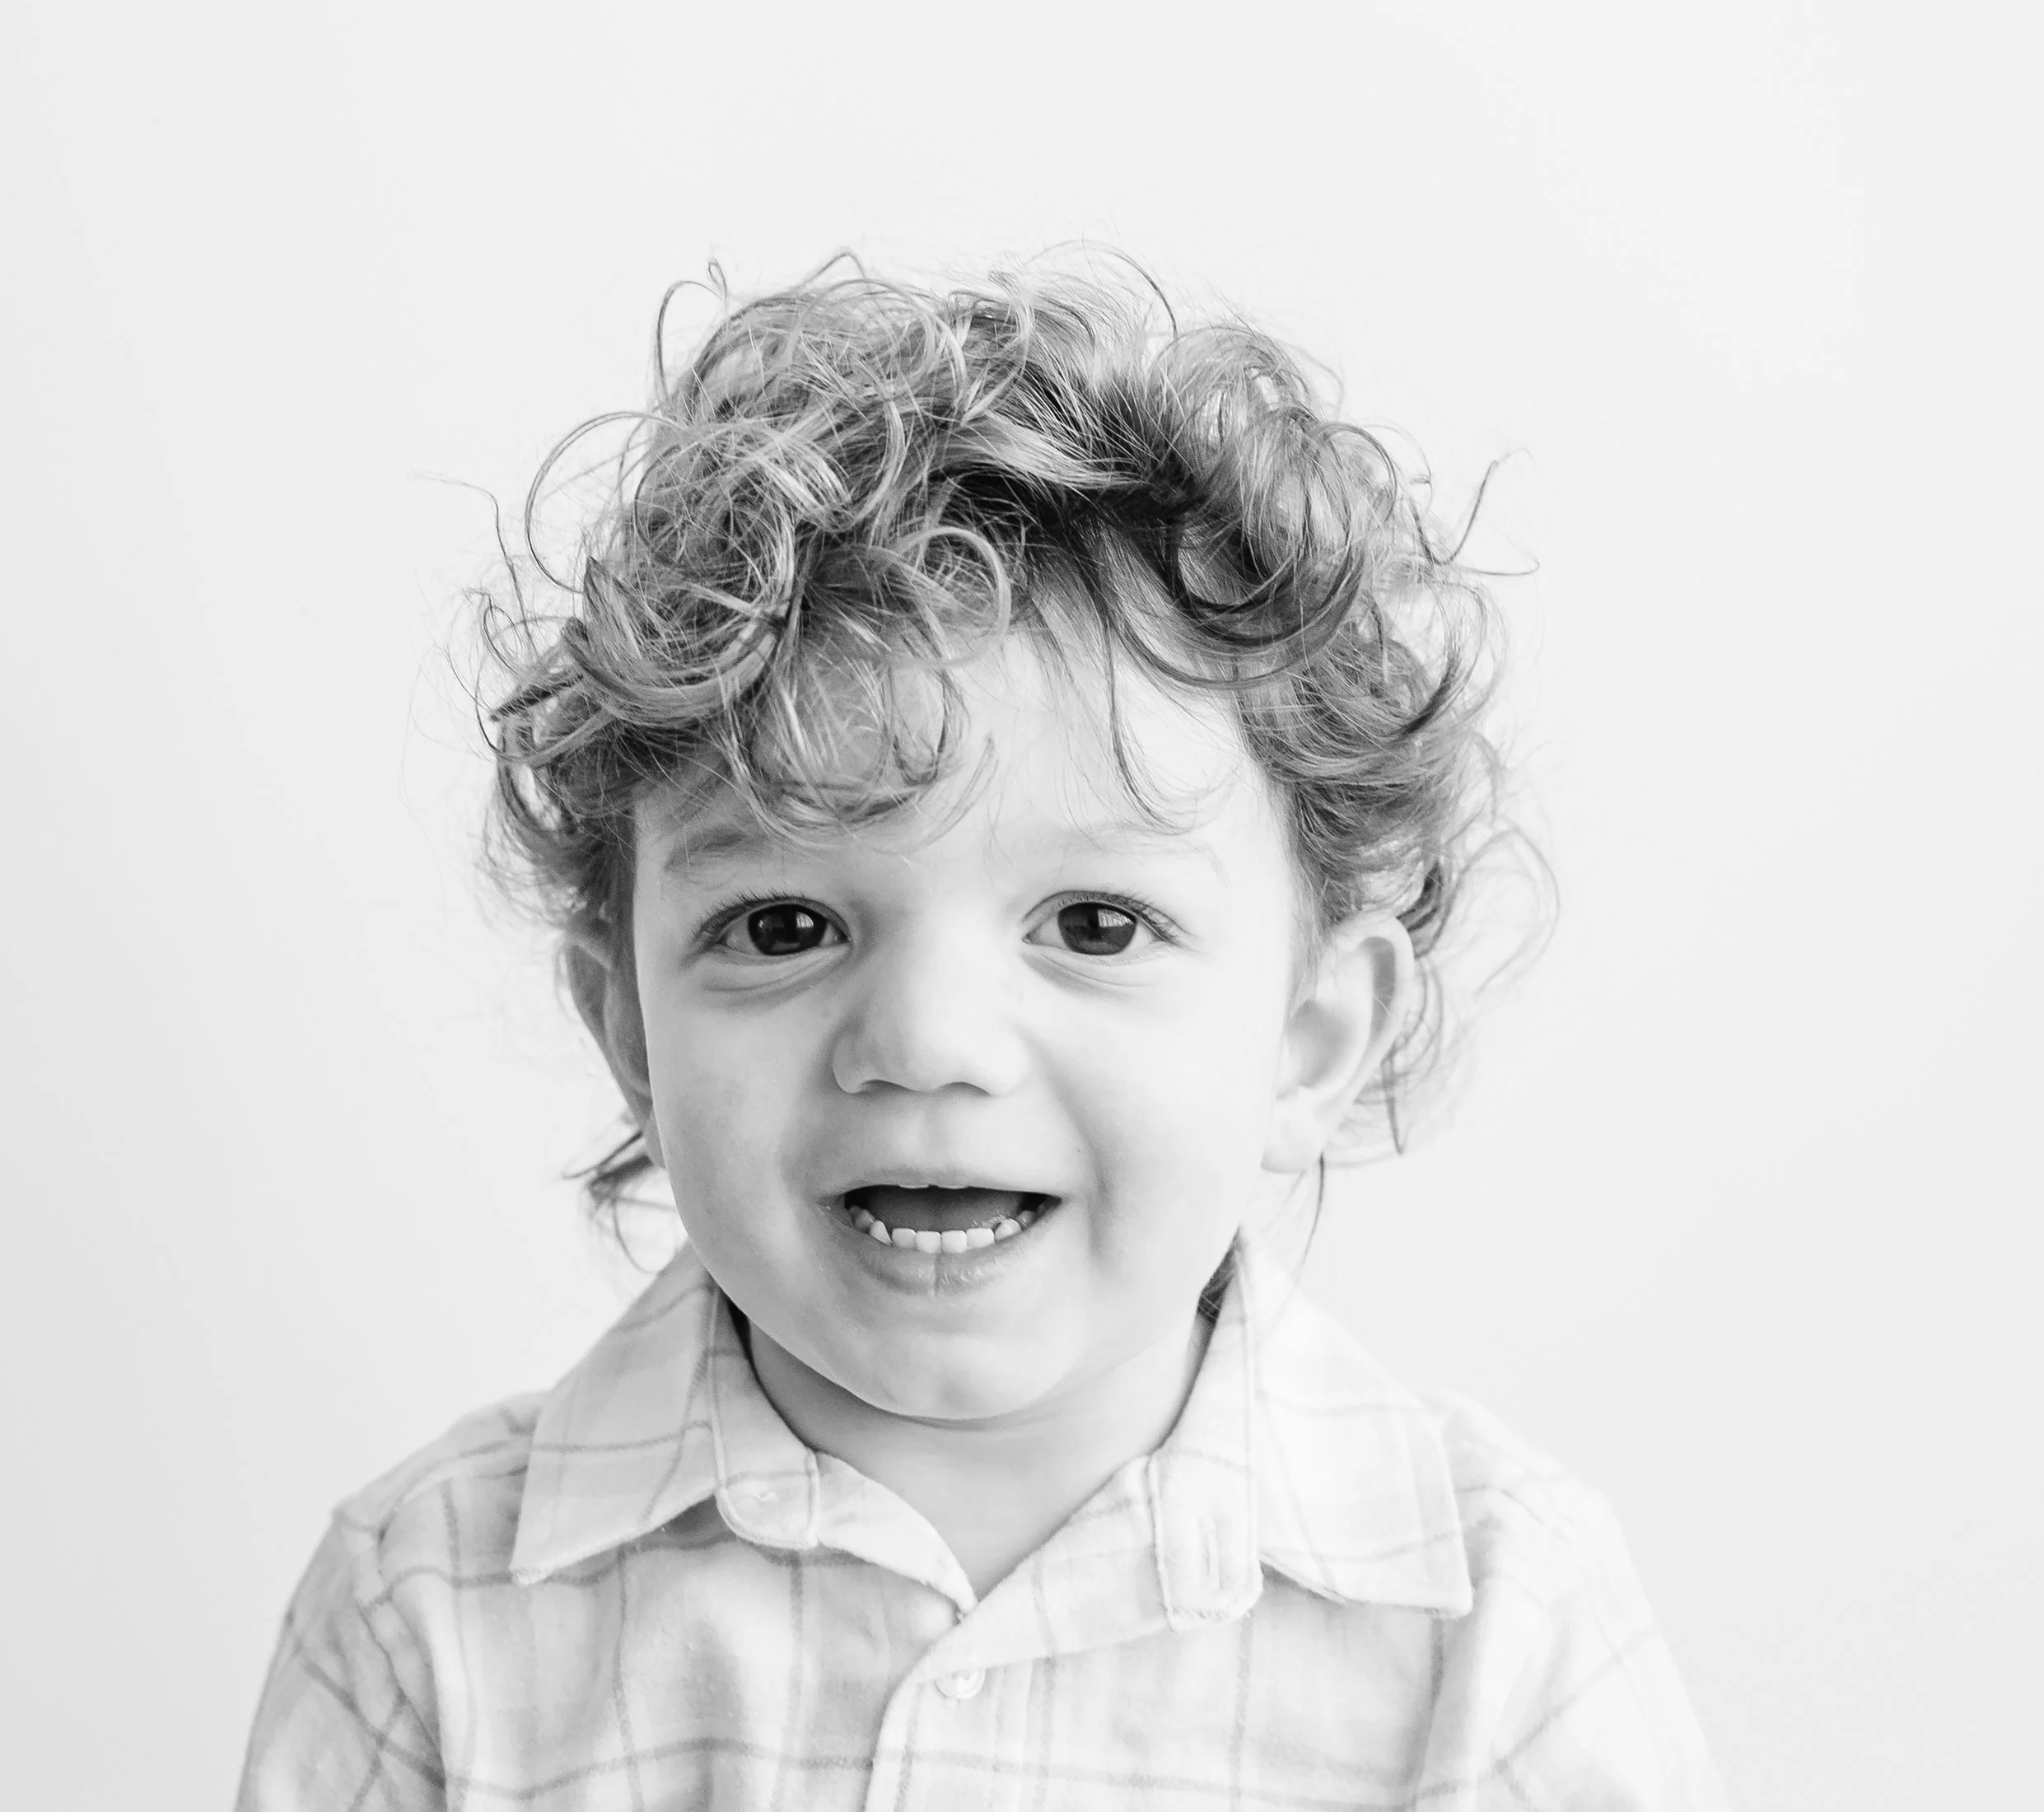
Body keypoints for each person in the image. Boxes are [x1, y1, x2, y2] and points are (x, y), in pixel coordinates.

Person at [238, 260, 1729, 1809]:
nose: (928, 1043)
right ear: (628, 1028)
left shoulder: (1499, 1634)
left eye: (1095, 924)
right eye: (784, 925)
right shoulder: (426, 1615)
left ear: (1308, 1034)